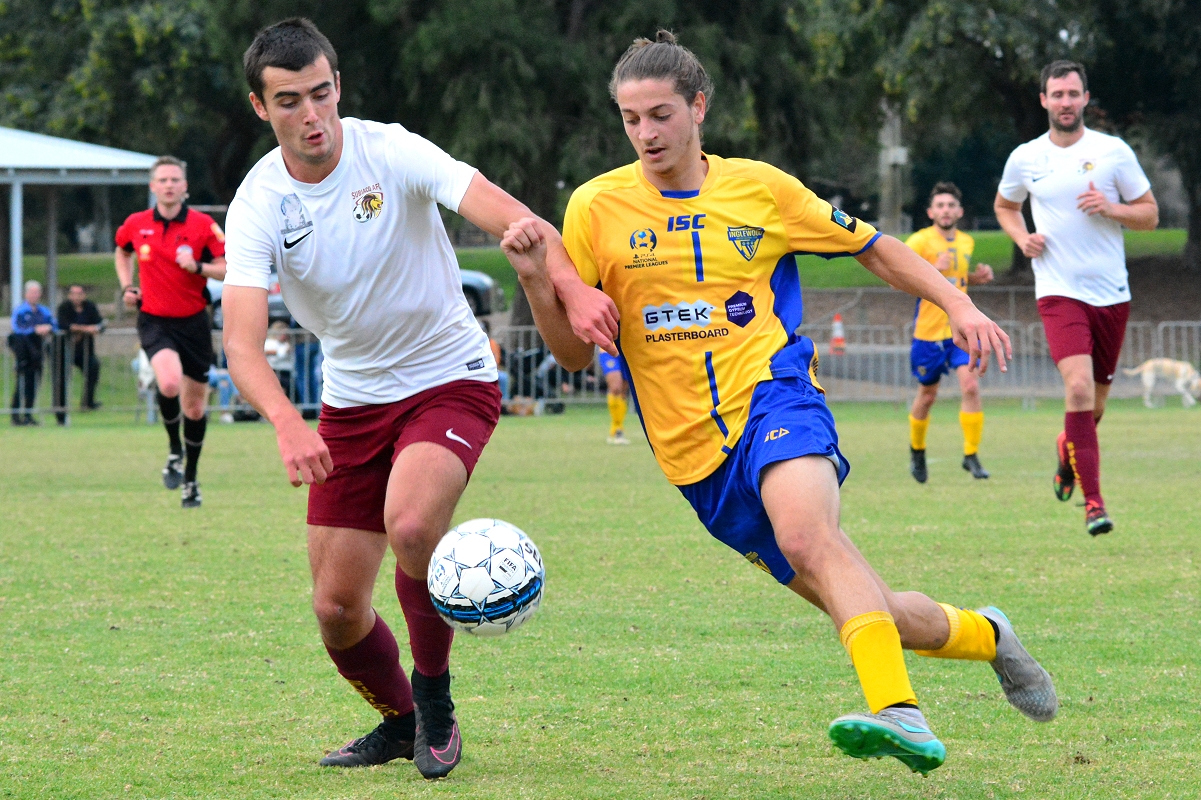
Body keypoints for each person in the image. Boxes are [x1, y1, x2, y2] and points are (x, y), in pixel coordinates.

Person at [500, 31, 1056, 776]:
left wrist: (956, 303)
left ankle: (900, 713)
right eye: (631, 120)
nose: (646, 133)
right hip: (694, 460)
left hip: (774, 395)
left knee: (806, 538)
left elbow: (874, 246)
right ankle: (988, 635)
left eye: (660, 114)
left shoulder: (760, 187)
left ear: (698, 107)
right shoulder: (595, 207)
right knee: (866, 603)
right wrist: (540, 280)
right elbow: (571, 355)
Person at [219, 18, 614, 780]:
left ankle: (435, 708)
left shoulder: (390, 148)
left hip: (449, 378)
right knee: (335, 611)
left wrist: (570, 287)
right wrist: (287, 422)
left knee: (409, 525)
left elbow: (516, 221)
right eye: (291, 101)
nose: (313, 116)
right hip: (350, 403)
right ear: (259, 108)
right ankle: (400, 722)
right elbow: (240, 342)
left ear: (340, 87)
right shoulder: (258, 202)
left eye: (323, 93)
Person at [994, 60, 1158, 537]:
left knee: (1095, 408)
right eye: (1056, 94)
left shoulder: (1114, 152)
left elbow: (1150, 214)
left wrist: (1111, 208)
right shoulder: (1026, 157)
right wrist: (1022, 238)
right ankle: (1094, 504)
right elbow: (1006, 206)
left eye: (1073, 93)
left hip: (1112, 295)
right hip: (1058, 292)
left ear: (1086, 98)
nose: (1065, 102)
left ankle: (1067, 458)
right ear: (1043, 100)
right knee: (1080, 390)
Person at [115, 155, 228, 508]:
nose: (168, 185)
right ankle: (174, 449)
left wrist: (198, 266)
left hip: (194, 322)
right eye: (162, 179)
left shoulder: (203, 225)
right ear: (153, 186)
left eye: (174, 179)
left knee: (195, 408)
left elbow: (228, 268)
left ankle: (191, 479)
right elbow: (121, 250)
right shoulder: (136, 223)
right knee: (167, 382)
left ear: (185, 186)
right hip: (154, 319)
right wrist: (126, 287)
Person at [906, 183, 995, 483]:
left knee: (970, 387)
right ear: (931, 212)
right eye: (940, 206)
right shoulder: (919, 241)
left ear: (959, 211)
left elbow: (955, 281)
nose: (946, 210)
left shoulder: (967, 242)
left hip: (960, 330)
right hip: (928, 333)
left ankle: (971, 455)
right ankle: (917, 451)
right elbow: (898, 281)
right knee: (927, 395)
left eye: (950, 205)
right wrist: (932, 267)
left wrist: (975, 279)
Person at [8, 280, 56, 425]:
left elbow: (54, 324)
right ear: (26, 294)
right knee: (21, 383)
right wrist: (34, 330)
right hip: (24, 352)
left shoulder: (44, 311)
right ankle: (16, 416)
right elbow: (17, 328)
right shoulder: (20, 310)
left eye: (37, 292)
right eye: (32, 292)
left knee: (34, 385)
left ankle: (28, 415)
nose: (35, 295)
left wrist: (48, 328)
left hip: (38, 352)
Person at [54, 284, 105, 414]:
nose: (76, 297)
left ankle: (87, 402)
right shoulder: (64, 307)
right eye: (73, 293)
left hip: (85, 349)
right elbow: (63, 324)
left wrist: (94, 328)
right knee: (62, 377)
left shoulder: (89, 307)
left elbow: (100, 323)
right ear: (69, 295)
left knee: (93, 368)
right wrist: (86, 329)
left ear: (84, 295)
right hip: (64, 349)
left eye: (79, 293)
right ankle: (60, 407)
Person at [599, 351, 630, 444]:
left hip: (627, 350)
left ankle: (618, 428)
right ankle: (617, 429)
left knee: (623, 391)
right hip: (608, 350)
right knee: (615, 388)